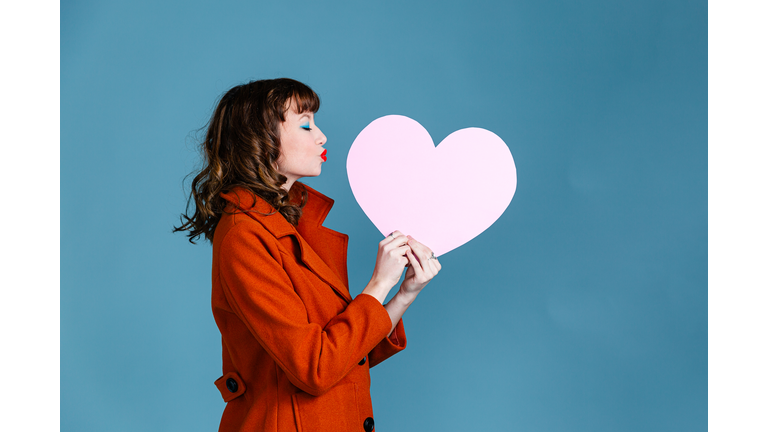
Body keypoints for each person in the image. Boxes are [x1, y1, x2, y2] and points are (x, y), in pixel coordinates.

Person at [175, 78, 441, 432]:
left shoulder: (292, 226)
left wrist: (405, 292)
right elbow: (315, 368)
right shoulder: (245, 235)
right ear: (260, 139)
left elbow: (348, 353)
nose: (322, 136)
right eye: (305, 124)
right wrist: (379, 283)